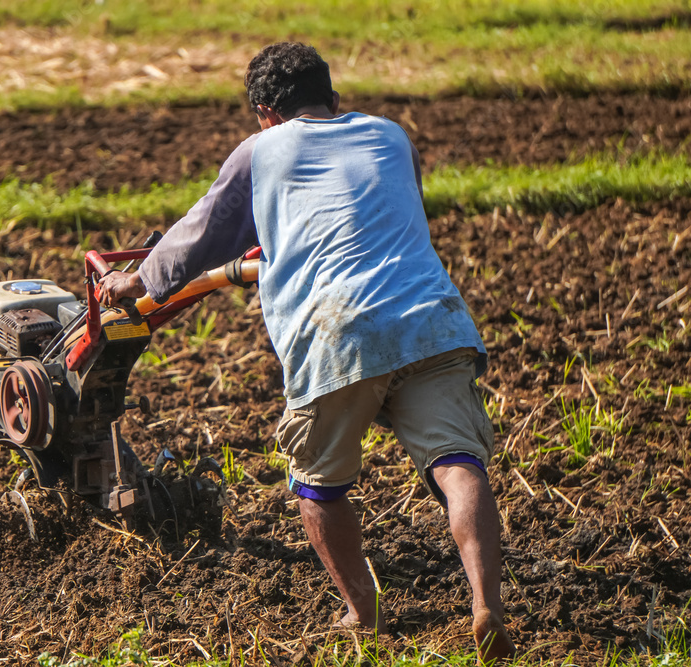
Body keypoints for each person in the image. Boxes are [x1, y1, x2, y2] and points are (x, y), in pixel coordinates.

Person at [97, 42, 515, 662]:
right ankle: (486, 604)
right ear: (333, 98)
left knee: (318, 484)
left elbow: (203, 232)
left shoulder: (260, 150)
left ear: (265, 112)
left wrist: (137, 281)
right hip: (430, 318)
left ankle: (361, 611)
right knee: (458, 466)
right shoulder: (392, 136)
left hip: (337, 333)